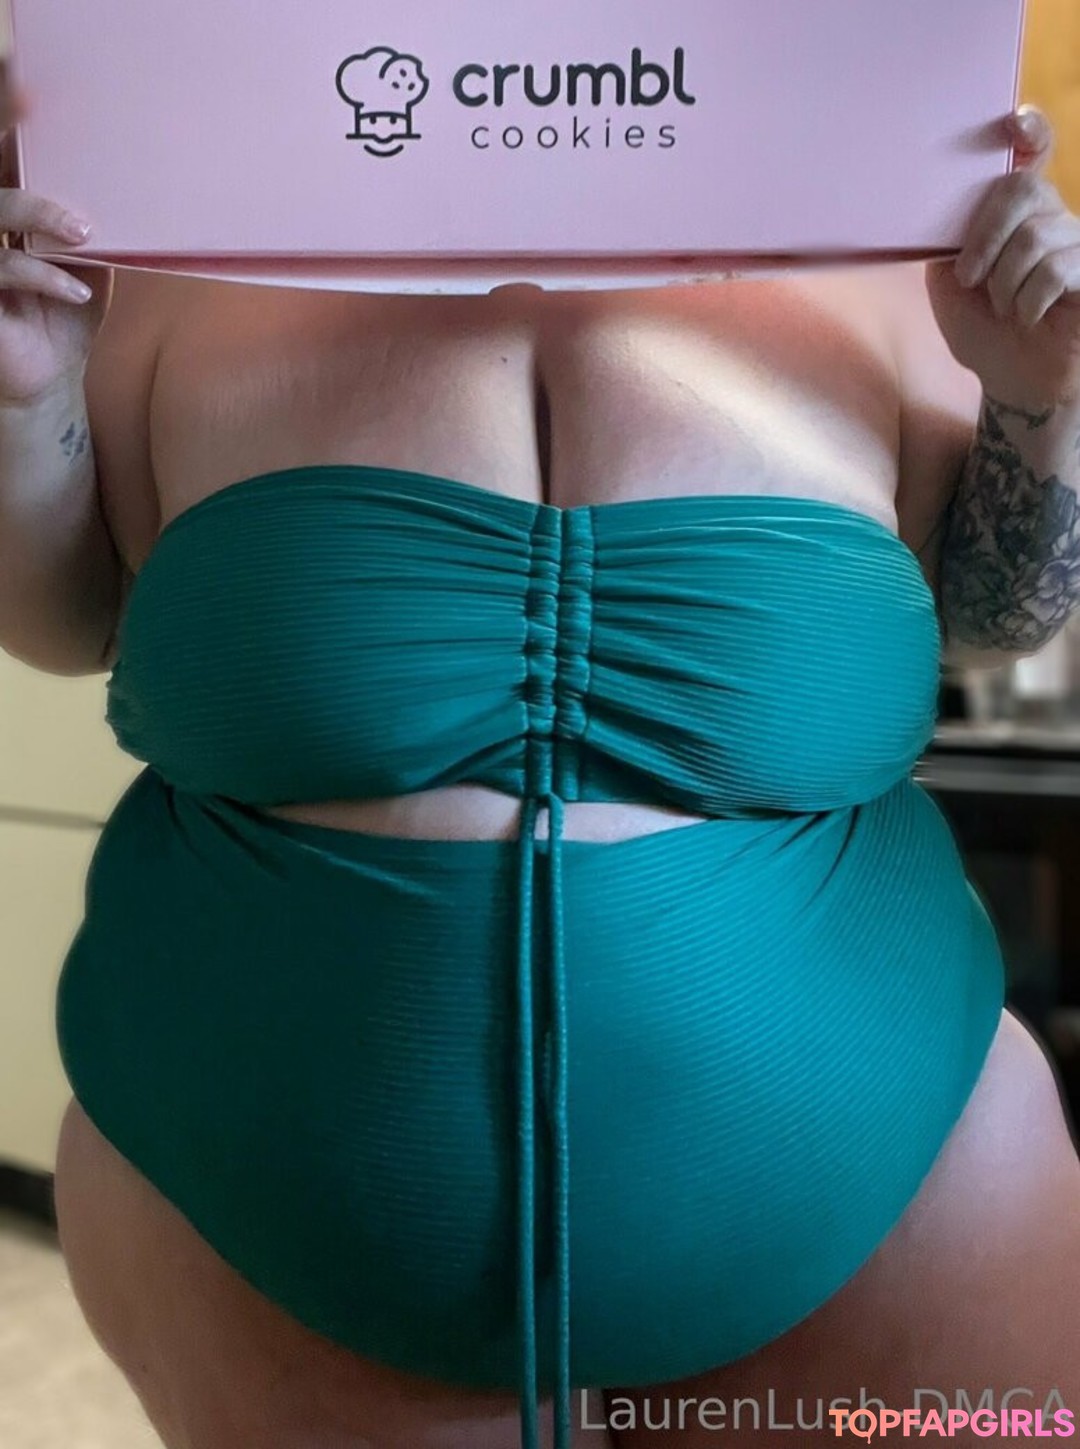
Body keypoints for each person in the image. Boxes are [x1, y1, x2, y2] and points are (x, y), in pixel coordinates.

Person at [1, 57, 1078, 1447]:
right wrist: (23, 400)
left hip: (902, 1191)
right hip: (260, 1198)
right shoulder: (175, 209)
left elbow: (989, 618)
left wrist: (1043, 390)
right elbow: (74, 617)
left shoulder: (877, 206)